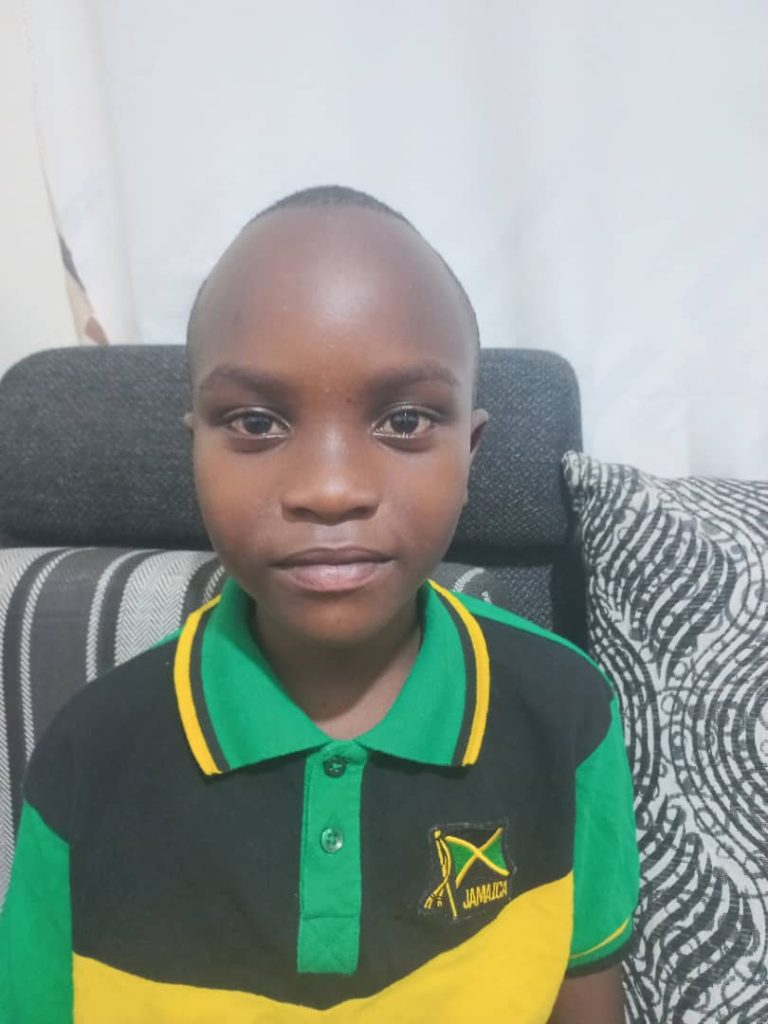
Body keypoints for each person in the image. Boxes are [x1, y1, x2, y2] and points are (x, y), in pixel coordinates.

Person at [0, 185, 639, 1023]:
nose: (330, 489)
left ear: (471, 450)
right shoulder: (90, 752)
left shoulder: (565, 710)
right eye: (256, 423)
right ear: (194, 447)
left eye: (404, 421)